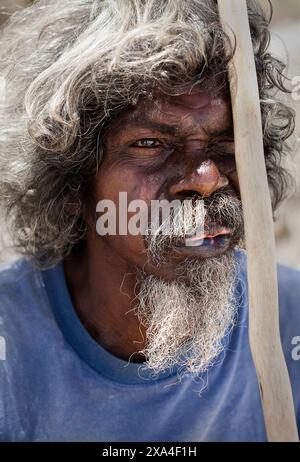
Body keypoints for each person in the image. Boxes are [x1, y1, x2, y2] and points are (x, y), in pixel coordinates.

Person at [0, 0, 299, 442]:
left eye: (225, 143)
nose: (207, 178)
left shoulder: (288, 322)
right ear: (71, 182)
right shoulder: (11, 351)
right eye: (150, 143)